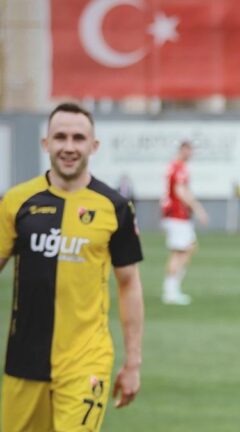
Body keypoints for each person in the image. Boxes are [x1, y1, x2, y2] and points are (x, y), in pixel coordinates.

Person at [0, 102, 144, 431]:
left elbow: (129, 284)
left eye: (78, 138)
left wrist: (133, 362)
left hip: (86, 362)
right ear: (45, 143)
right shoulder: (16, 201)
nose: (69, 147)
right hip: (24, 361)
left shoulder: (115, 207)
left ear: (93, 145)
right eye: (60, 137)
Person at [161, 141, 208, 305]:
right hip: (177, 215)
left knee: (188, 248)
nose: (191, 154)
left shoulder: (174, 166)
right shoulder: (179, 167)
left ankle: (172, 288)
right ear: (182, 150)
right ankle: (170, 291)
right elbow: (180, 191)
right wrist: (197, 208)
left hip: (176, 215)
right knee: (180, 252)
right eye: (189, 150)